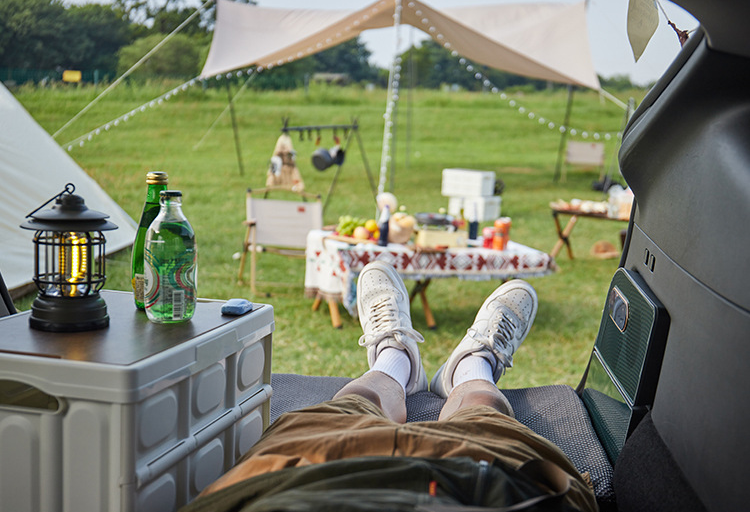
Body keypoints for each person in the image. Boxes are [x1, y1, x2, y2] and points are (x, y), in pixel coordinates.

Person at [189, 261, 597, 511]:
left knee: (349, 405)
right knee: (485, 414)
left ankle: (394, 359)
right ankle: (474, 366)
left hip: (298, 480)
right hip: (495, 488)